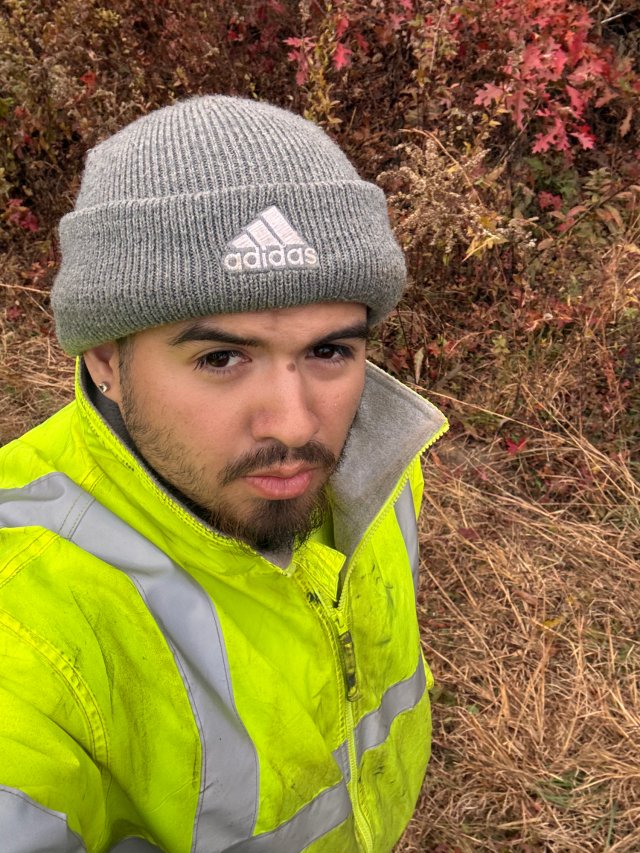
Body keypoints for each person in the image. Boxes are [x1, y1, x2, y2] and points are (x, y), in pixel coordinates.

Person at [0, 96, 447, 853]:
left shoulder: (380, 464)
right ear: (106, 358)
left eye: (329, 351)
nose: (297, 426)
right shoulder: (27, 620)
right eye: (220, 358)